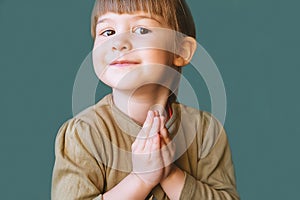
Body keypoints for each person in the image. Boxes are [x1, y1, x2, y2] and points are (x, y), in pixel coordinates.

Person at [51, 0, 239, 199]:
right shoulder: (82, 133)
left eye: (141, 30)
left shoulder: (205, 130)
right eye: (108, 32)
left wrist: (170, 174)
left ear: (181, 50)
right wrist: (141, 179)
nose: (119, 43)